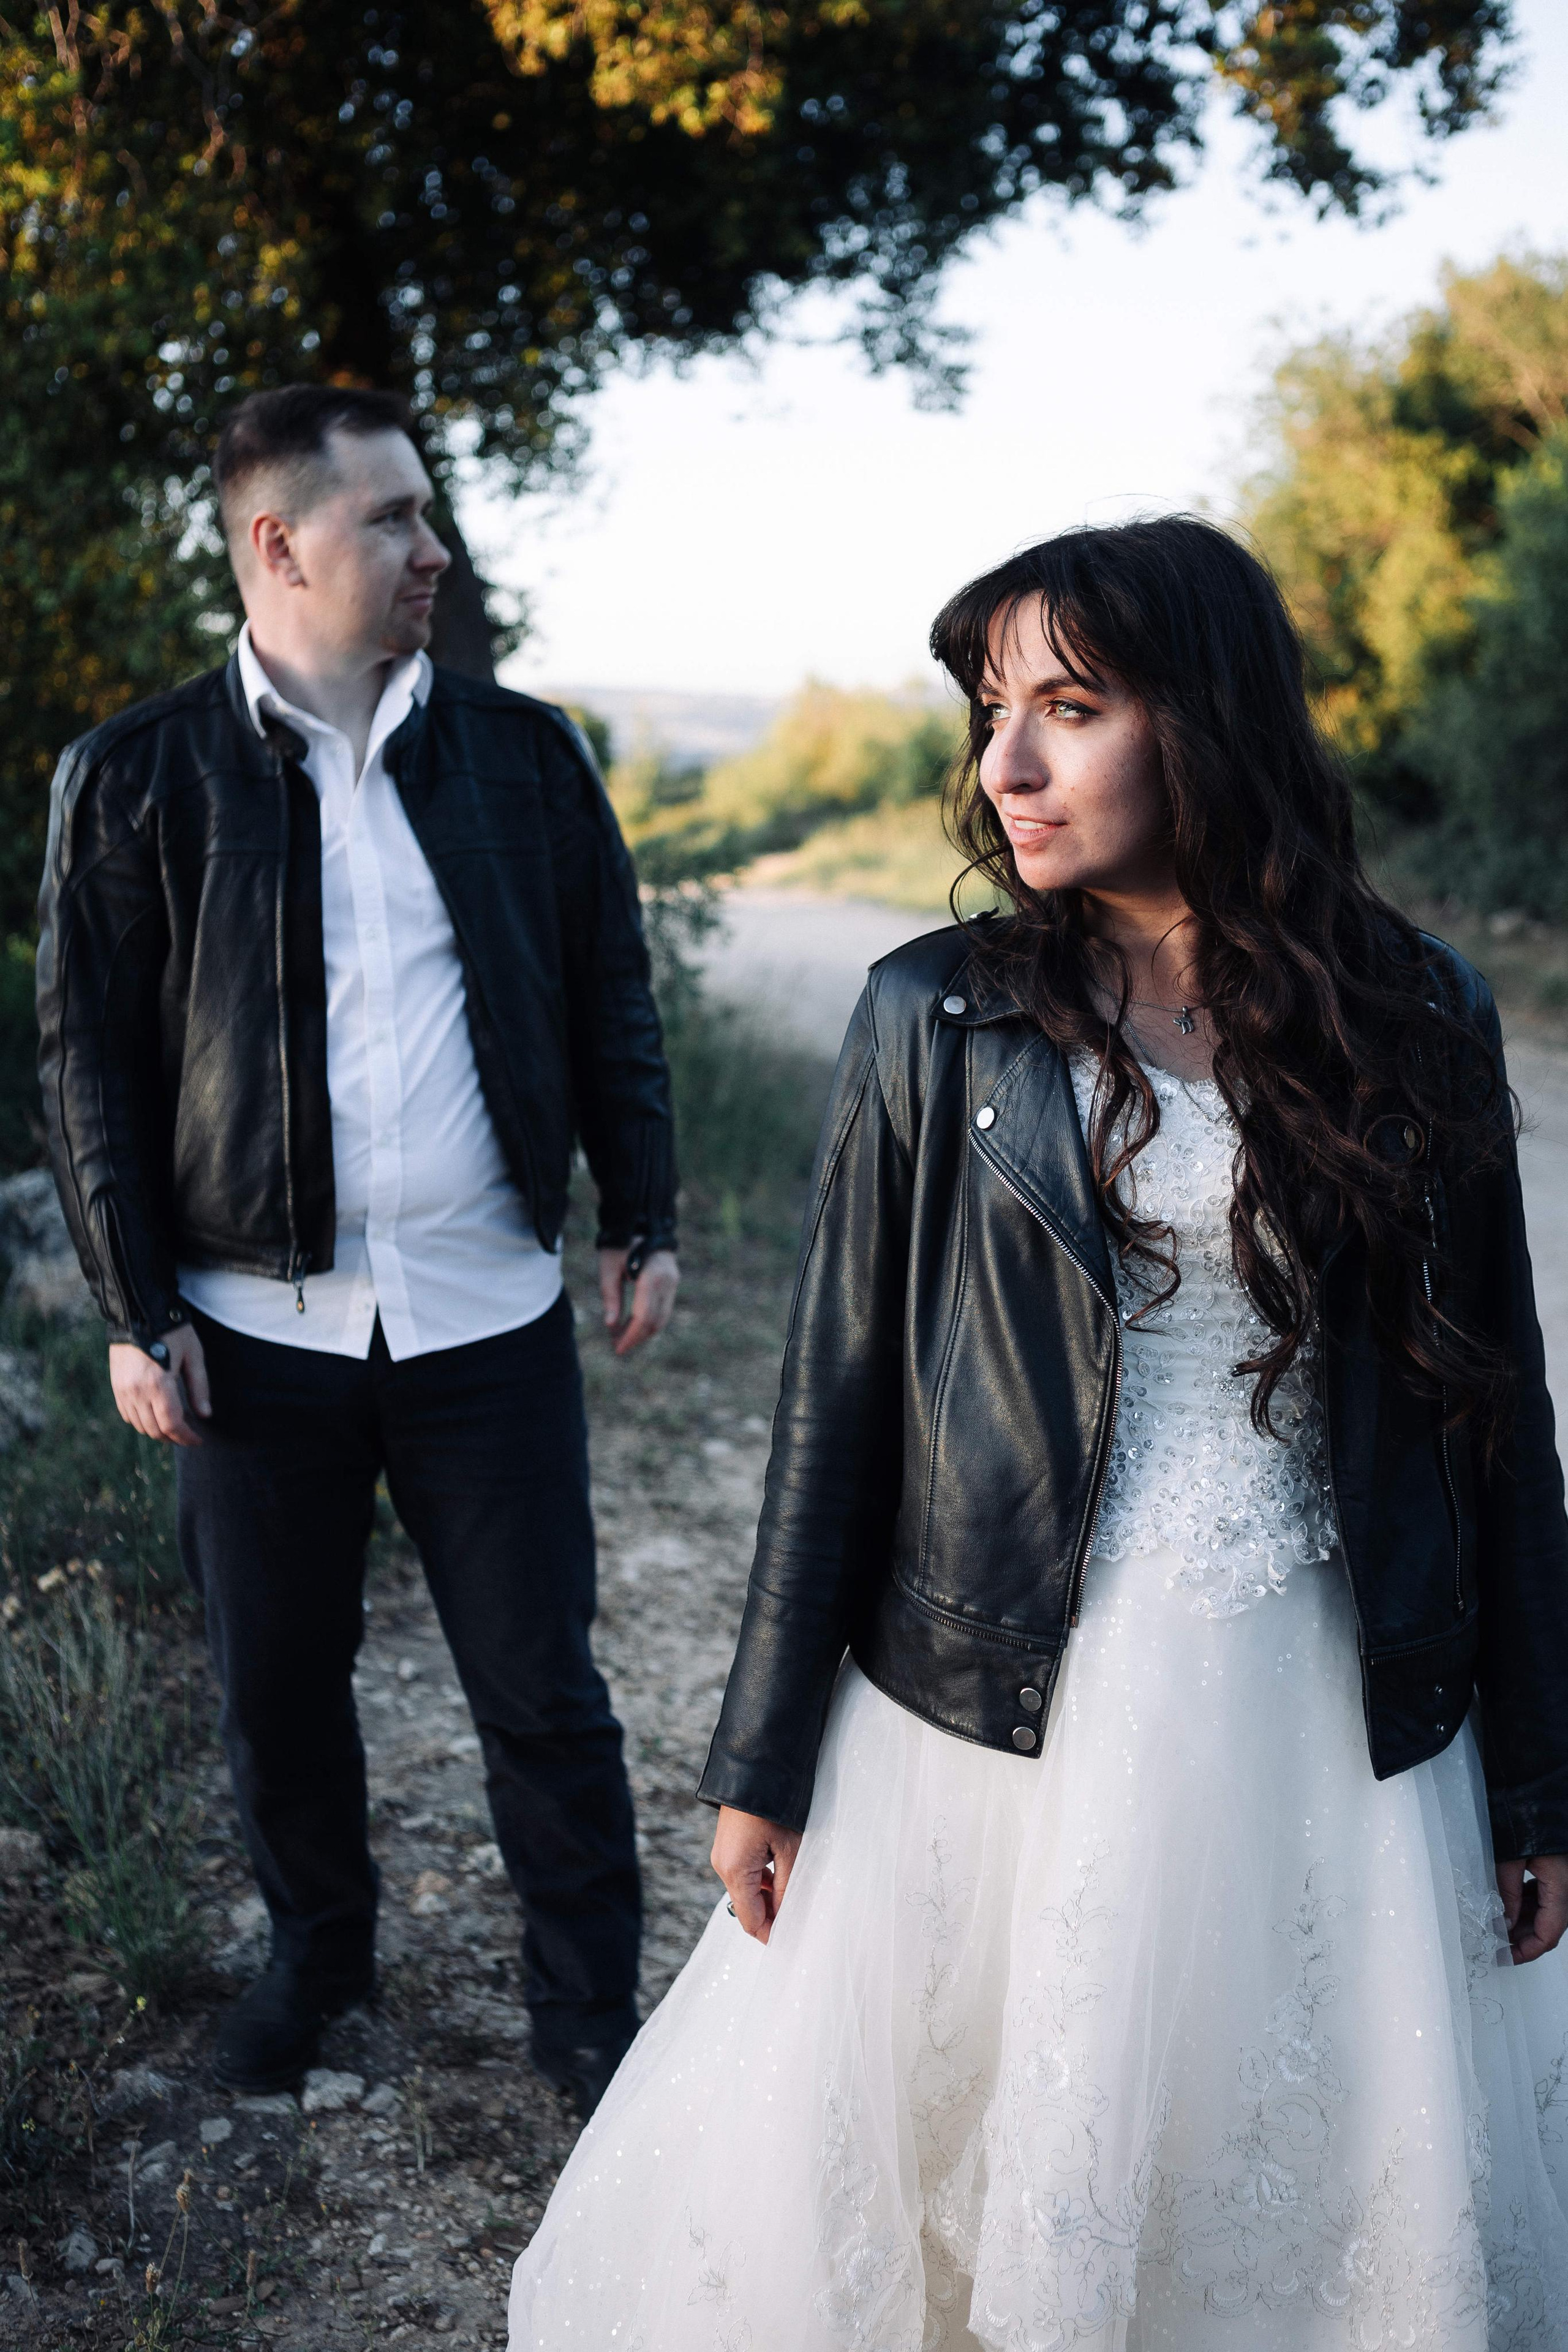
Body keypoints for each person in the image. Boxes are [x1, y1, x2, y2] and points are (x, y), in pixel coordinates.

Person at [509, 516, 1568, 2346]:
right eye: (991, 712)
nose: (1005, 766)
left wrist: (1544, 1774)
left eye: (1069, 708)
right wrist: (762, 1753)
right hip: (991, 1697)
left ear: (1212, 719)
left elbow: (1498, 1422)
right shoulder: (936, 1012)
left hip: (1330, 1702)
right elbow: (834, 1393)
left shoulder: (1422, 1015)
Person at [37, 384, 680, 2119]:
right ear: (277, 544)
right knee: (277, 1689)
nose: (432, 550)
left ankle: (587, 2007)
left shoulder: (525, 756)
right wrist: (133, 1304)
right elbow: (88, 1058)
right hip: (247, 1331)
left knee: (543, 1684)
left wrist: (645, 1212)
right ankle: (317, 1968)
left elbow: (608, 985)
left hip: (489, 1311)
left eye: (428, 514)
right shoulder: (134, 776)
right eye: (393, 518)